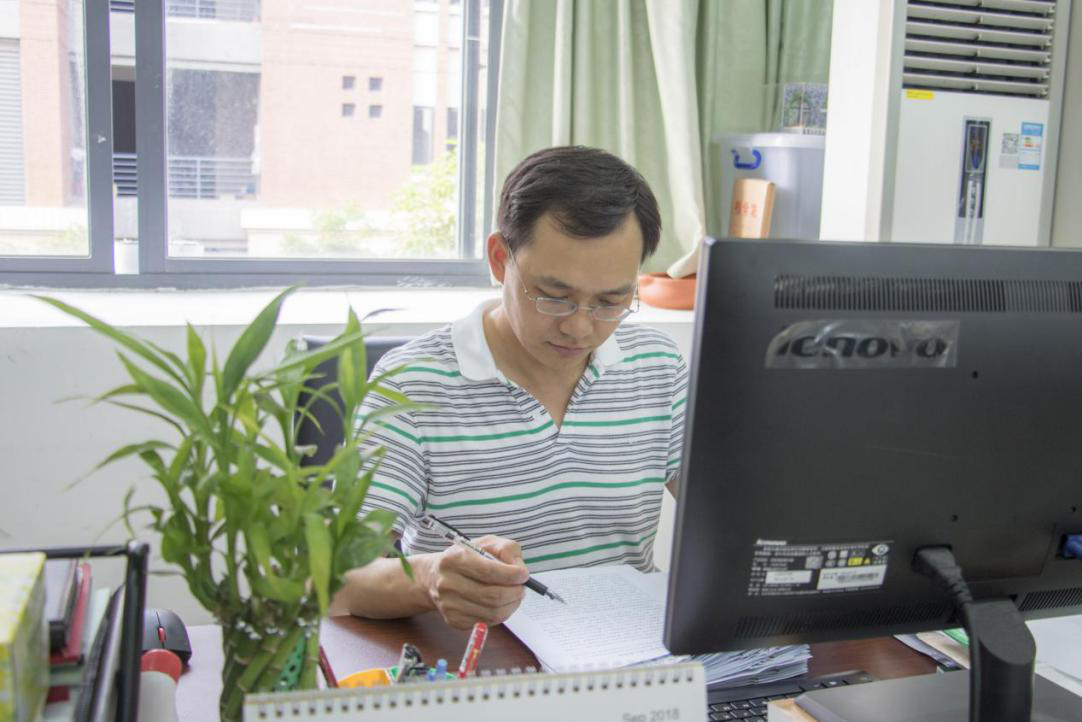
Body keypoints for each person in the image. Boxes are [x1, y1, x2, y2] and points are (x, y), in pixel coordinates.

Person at [330, 146, 688, 629]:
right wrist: (430, 578)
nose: (580, 328)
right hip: (478, 658)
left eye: (611, 301)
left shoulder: (657, 366)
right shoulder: (412, 385)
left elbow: (731, 524)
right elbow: (339, 579)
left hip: (627, 651)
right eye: (554, 296)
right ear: (500, 259)